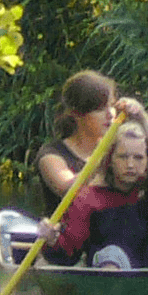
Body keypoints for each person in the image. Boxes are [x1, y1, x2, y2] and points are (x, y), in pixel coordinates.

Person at [43, 102, 148, 269]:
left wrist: (143, 117)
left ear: (147, 162)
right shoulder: (89, 199)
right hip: (110, 276)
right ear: (111, 160)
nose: (130, 165)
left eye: (138, 158)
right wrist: (52, 241)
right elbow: (68, 255)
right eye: (123, 157)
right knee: (113, 254)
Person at [34, 70, 114, 212]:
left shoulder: (119, 151)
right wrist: (104, 160)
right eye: (100, 109)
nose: (110, 114)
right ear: (76, 114)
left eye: (111, 106)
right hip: (65, 231)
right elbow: (66, 188)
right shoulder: (51, 155)